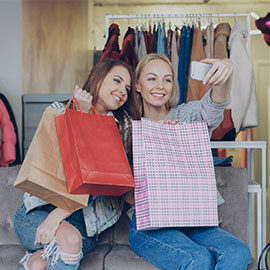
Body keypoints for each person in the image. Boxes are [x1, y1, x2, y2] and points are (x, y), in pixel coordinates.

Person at [128, 53, 251, 269]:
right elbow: (119, 187)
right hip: (150, 224)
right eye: (152, 78)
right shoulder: (128, 127)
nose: (160, 86)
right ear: (137, 84)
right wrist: (160, 143)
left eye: (167, 79)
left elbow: (215, 105)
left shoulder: (186, 115)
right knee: (198, 259)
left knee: (238, 253)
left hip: (195, 219)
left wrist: (226, 71)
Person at [13, 58, 136, 270]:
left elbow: (99, 179)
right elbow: (57, 163)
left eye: (127, 88)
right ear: (97, 79)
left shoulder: (122, 131)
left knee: (39, 264)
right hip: (36, 212)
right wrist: (80, 116)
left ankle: (43, 255)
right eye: (116, 81)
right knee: (65, 242)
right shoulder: (58, 111)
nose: (122, 91)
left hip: (85, 225)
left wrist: (57, 218)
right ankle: (48, 251)